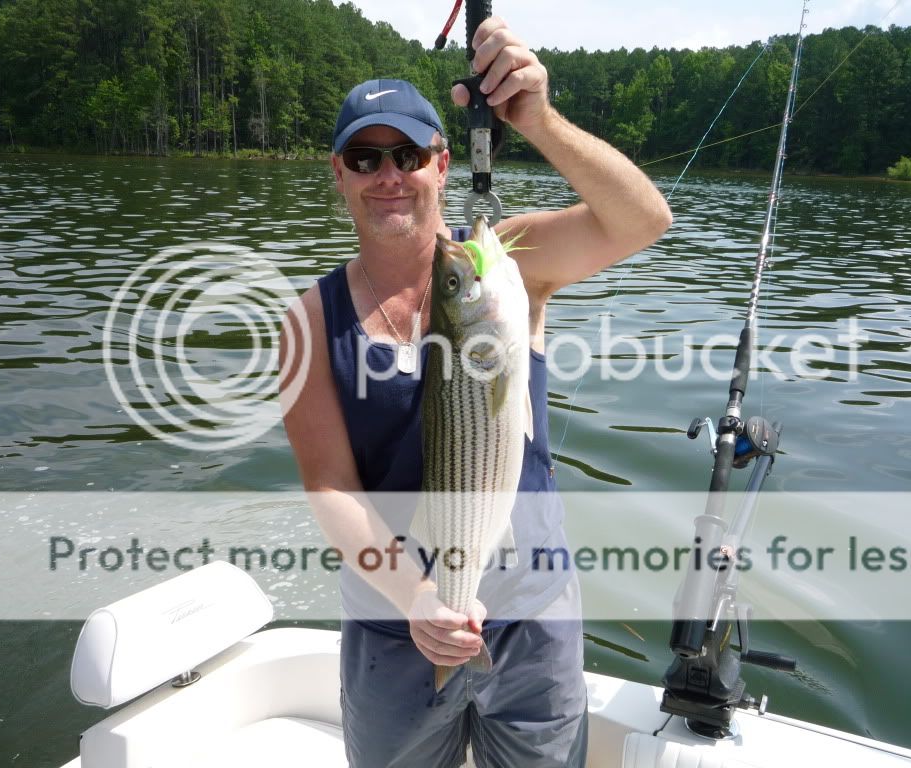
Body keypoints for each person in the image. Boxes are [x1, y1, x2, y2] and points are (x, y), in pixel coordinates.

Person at [279, 17, 671, 768]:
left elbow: (643, 220)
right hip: (394, 625)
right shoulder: (309, 320)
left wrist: (539, 120)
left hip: (533, 617)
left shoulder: (506, 262)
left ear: (442, 163)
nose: (389, 174)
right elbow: (329, 485)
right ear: (339, 173)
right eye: (366, 157)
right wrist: (421, 602)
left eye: (408, 154)